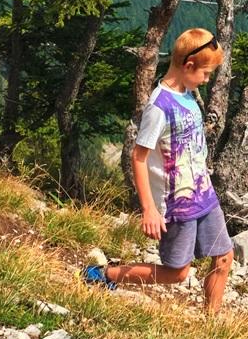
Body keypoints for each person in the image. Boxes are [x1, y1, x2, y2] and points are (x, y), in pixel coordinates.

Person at [83, 28, 233, 313]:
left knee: (224, 256)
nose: (207, 79)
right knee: (177, 273)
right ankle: (103, 275)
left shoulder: (188, 94)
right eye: (205, 73)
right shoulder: (159, 107)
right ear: (188, 66)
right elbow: (138, 157)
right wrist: (149, 209)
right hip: (177, 205)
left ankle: (212, 324)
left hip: (204, 195)